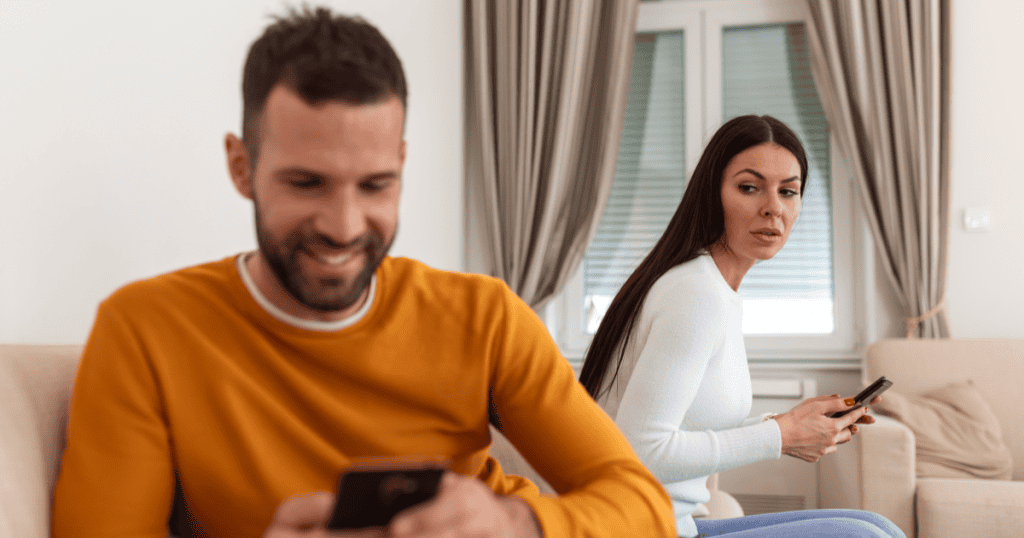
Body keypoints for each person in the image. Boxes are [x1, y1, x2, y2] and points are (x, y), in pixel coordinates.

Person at [51, 7, 676, 538]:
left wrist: (514, 523)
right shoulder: (145, 330)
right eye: (306, 182)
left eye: (376, 184)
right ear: (241, 167)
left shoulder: (484, 317)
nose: (344, 226)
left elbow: (646, 506)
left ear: (401, 165)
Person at [577, 115, 905, 538]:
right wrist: (779, 437)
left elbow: (688, 426)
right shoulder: (695, 294)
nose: (774, 207)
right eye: (749, 188)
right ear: (713, 194)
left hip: (675, 523)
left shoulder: (714, 289)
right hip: (638, 529)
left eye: (788, 191)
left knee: (876, 525)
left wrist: (786, 423)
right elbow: (641, 450)